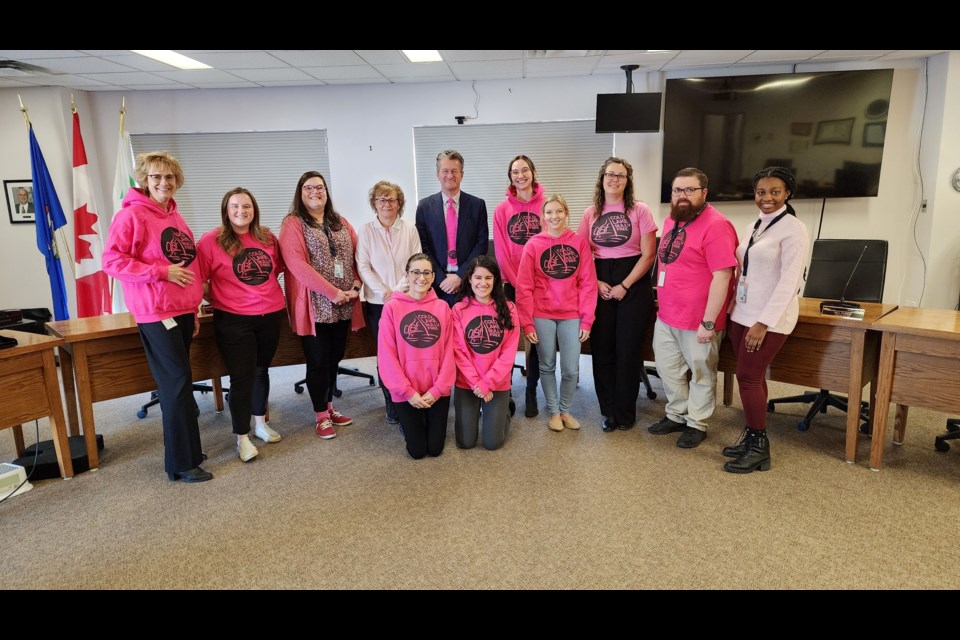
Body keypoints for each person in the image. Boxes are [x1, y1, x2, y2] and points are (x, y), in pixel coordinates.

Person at [102, 151, 210, 483]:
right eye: (156, 177)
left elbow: (187, 266)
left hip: (180, 312)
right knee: (175, 386)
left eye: (170, 177)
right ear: (144, 180)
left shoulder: (176, 216)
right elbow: (111, 261)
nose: (164, 183)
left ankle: (189, 449)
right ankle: (180, 463)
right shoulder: (131, 216)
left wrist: (193, 308)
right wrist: (160, 273)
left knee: (181, 383)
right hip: (156, 312)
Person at [723, 167, 809, 473]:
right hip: (742, 313)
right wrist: (732, 309)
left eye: (775, 192)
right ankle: (751, 435)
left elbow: (790, 282)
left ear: (787, 193)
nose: (767, 198)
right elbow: (743, 270)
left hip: (768, 319)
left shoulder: (794, 229)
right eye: (761, 192)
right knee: (753, 377)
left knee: (747, 378)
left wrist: (763, 323)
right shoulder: (754, 225)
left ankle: (759, 446)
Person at [648, 168, 738, 449]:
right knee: (668, 369)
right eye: (677, 191)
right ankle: (676, 414)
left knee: (701, 373)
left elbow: (723, 276)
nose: (682, 196)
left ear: (704, 193)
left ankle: (697, 422)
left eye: (689, 190)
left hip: (699, 320)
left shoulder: (717, 225)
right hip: (667, 315)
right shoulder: (673, 220)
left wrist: (709, 322)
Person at [196, 187, 285, 463]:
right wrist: (219, 296)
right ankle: (242, 437)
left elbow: (278, 270)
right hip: (234, 319)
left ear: (254, 209)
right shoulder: (211, 241)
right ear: (226, 210)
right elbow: (201, 281)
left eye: (246, 206)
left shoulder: (268, 238)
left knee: (262, 371)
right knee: (241, 378)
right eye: (234, 206)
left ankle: (260, 424)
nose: (241, 211)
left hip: (271, 314)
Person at [279, 171, 364, 440]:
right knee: (317, 362)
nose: (315, 191)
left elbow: (357, 256)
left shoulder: (340, 222)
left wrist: (357, 285)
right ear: (300, 193)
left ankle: (329, 407)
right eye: (308, 188)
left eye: (320, 187)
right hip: (315, 305)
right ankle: (320, 416)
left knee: (334, 358)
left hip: (344, 304)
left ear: (326, 191)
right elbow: (296, 265)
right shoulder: (293, 224)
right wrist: (331, 292)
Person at [577, 157, 658, 432]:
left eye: (621, 176)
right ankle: (608, 411)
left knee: (628, 350)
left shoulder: (640, 210)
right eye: (610, 174)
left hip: (633, 281)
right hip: (599, 280)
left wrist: (625, 284)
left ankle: (625, 413)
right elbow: (582, 253)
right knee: (602, 350)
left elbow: (649, 255)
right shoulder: (590, 213)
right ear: (602, 179)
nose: (615, 179)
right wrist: (597, 280)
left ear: (628, 181)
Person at [516, 195, 597, 433]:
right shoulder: (534, 244)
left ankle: (565, 409)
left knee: (571, 368)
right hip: (542, 314)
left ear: (566, 213)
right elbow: (524, 287)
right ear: (543, 216)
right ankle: (553, 411)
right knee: (547, 365)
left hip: (572, 314)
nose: (554, 217)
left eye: (559, 211)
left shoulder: (579, 243)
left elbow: (588, 284)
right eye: (549, 212)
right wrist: (527, 324)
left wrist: (587, 319)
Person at [356, 180, 421, 425]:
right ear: (374, 203)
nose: (386, 204)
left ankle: (409, 399)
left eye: (391, 199)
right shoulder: (366, 231)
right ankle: (391, 404)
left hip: (407, 300)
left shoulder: (409, 229)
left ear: (399, 203)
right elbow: (363, 265)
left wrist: (398, 290)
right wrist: (384, 292)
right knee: (386, 356)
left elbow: (416, 263)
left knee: (408, 353)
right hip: (378, 303)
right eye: (381, 200)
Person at [378, 253, 455, 459]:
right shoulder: (392, 307)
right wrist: (407, 392)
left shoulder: (442, 307)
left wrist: (439, 389)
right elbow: (386, 356)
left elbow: (449, 352)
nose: (421, 278)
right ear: (407, 275)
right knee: (417, 451)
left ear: (432, 276)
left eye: (427, 273)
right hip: (405, 390)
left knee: (435, 449)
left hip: (436, 389)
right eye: (416, 272)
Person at [493, 154, 545, 418]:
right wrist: (518, 283)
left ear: (533, 173)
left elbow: (553, 245)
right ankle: (507, 389)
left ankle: (532, 390)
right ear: (510, 177)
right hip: (513, 285)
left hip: (543, 287)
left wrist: (539, 283)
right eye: (515, 172)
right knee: (509, 339)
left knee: (535, 340)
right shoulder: (502, 210)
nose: (520, 175)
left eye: (525, 170)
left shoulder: (547, 204)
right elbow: (501, 252)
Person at [452, 255, 520, 450]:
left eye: (488, 278)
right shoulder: (458, 309)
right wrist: (477, 383)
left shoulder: (509, 309)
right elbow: (459, 351)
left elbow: (508, 353)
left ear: (496, 280)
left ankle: (506, 407)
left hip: (497, 382)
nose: (483, 283)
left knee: (492, 443)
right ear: (470, 280)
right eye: (478, 278)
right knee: (465, 442)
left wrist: (487, 383)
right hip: (467, 382)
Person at [415, 149, 488, 306]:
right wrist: (441, 278)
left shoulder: (477, 205)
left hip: (469, 282)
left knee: (466, 329)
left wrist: (460, 275)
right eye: (445, 171)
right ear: (438, 174)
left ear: (462, 174)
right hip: (434, 283)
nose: (450, 175)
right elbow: (422, 246)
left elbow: (481, 245)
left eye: (454, 171)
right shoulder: (424, 206)